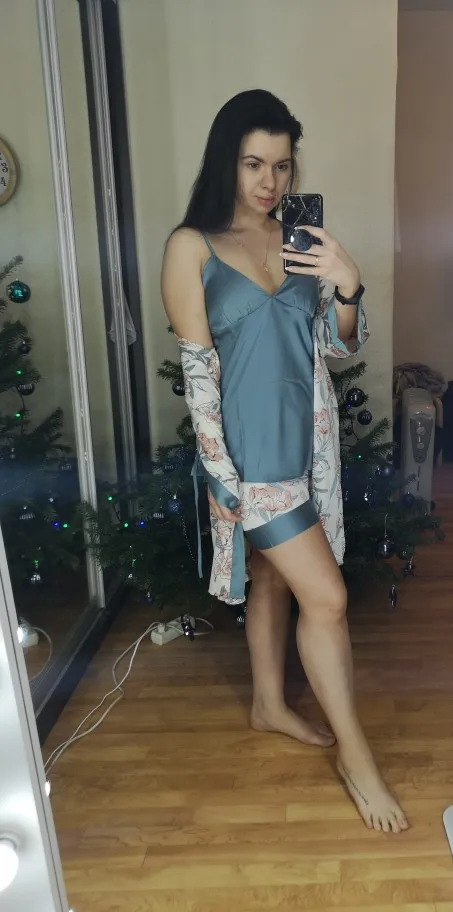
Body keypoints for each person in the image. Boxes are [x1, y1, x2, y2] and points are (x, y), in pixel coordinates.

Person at [161, 90, 408, 834]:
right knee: (326, 599)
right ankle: (357, 757)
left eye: (282, 165)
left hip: (310, 448)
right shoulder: (192, 246)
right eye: (253, 164)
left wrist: (347, 283)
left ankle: (269, 704)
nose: (269, 181)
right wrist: (220, 473)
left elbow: (335, 347)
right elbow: (198, 372)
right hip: (251, 461)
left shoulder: (301, 243)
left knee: (273, 581)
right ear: (226, 163)